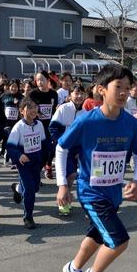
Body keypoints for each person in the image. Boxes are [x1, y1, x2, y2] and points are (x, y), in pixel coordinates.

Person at [56, 65, 137, 272]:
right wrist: (62, 185)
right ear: (101, 90)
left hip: (113, 192)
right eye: (118, 87)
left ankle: (73, 270)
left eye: (128, 88)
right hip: (90, 191)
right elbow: (62, 148)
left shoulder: (130, 122)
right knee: (118, 240)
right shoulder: (87, 121)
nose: (124, 93)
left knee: (97, 236)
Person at [7, 98, 45, 229]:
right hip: (24, 165)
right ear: (21, 111)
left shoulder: (39, 124)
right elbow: (10, 147)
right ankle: (28, 217)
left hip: (37, 163)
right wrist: (19, 155)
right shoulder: (18, 127)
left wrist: (45, 159)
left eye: (35, 107)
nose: (33, 110)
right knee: (29, 190)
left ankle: (17, 188)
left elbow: (44, 143)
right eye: (29, 108)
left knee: (34, 188)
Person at [49, 85, 87, 215]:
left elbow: (85, 135)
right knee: (68, 175)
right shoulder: (63, 109)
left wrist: (80, 150)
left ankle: (65, 199)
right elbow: (53, 128)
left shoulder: (85, 113)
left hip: (75, 151)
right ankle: (64, 203)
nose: (79, 96)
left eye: (82, 93)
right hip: (63, 149)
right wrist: (62, 143)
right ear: (70, 95)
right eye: (76, 93)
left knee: (71, 176)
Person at [29, 71, 58, 179]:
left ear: (48, 80)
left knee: (49, 150)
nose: (40, 82)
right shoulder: (33, 94)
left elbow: (55, 110)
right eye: (37, 80)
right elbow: (26, 109)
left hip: (49, 127)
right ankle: (34, 174)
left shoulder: (53, 94)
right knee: (37, 153)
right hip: (36, 127)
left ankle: (45, 166)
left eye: (42, 79)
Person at [0, 79, 23, 163]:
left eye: (16, 86)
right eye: (12, 86)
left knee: (13, 139)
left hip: (17, 122)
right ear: (9, 87)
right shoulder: (4, 96)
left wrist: (17, 104)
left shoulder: (21, 97)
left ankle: (9, 154)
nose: (14, 88)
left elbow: (23, 109)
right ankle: (7, 153)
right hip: (6, 123)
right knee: (8, 137)